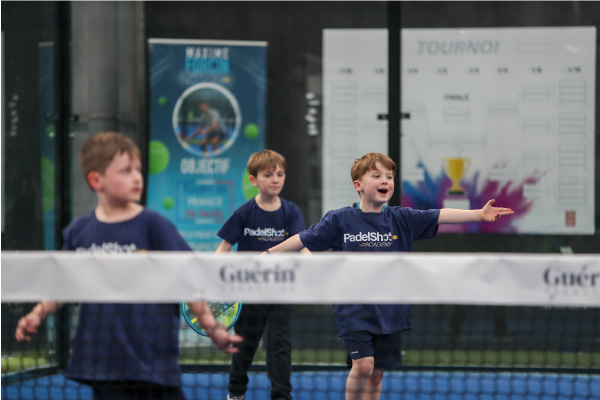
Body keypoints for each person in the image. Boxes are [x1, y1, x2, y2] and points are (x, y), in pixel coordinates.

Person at [264, 152, 514, 400]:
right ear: (358, 185)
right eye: (377, 175)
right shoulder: (340, 219)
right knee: (362, 366)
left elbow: (440, 214)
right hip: (354, 310)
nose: (385, 180)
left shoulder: (402, 218)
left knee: (376, 374)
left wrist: (478, 214)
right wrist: (266, 255)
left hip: (391, 310)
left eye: (389, 176)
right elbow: (302, 239)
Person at [15, 132, 242, 400]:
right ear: (96, 180)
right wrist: (37, 313)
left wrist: (211, 326)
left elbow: (186, 277)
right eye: (125, 171)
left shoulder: (153, 224)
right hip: (104, 363)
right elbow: (66, 284)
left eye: (138, 170)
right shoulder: (79, 231)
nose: (136, 177)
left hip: (154, 361)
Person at [215, 149, 309, 400]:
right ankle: (236, 392)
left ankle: (281, 395)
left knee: (280, 346)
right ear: (254, 180)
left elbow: (301, 245)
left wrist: (317, 268)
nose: (276, 179)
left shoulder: (291, 212)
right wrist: (209, 276)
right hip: (249, 293)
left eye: (280, 174)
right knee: (244, 346)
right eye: (268, 175)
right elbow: (224, 248)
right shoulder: (244, 213)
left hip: (281, 291)